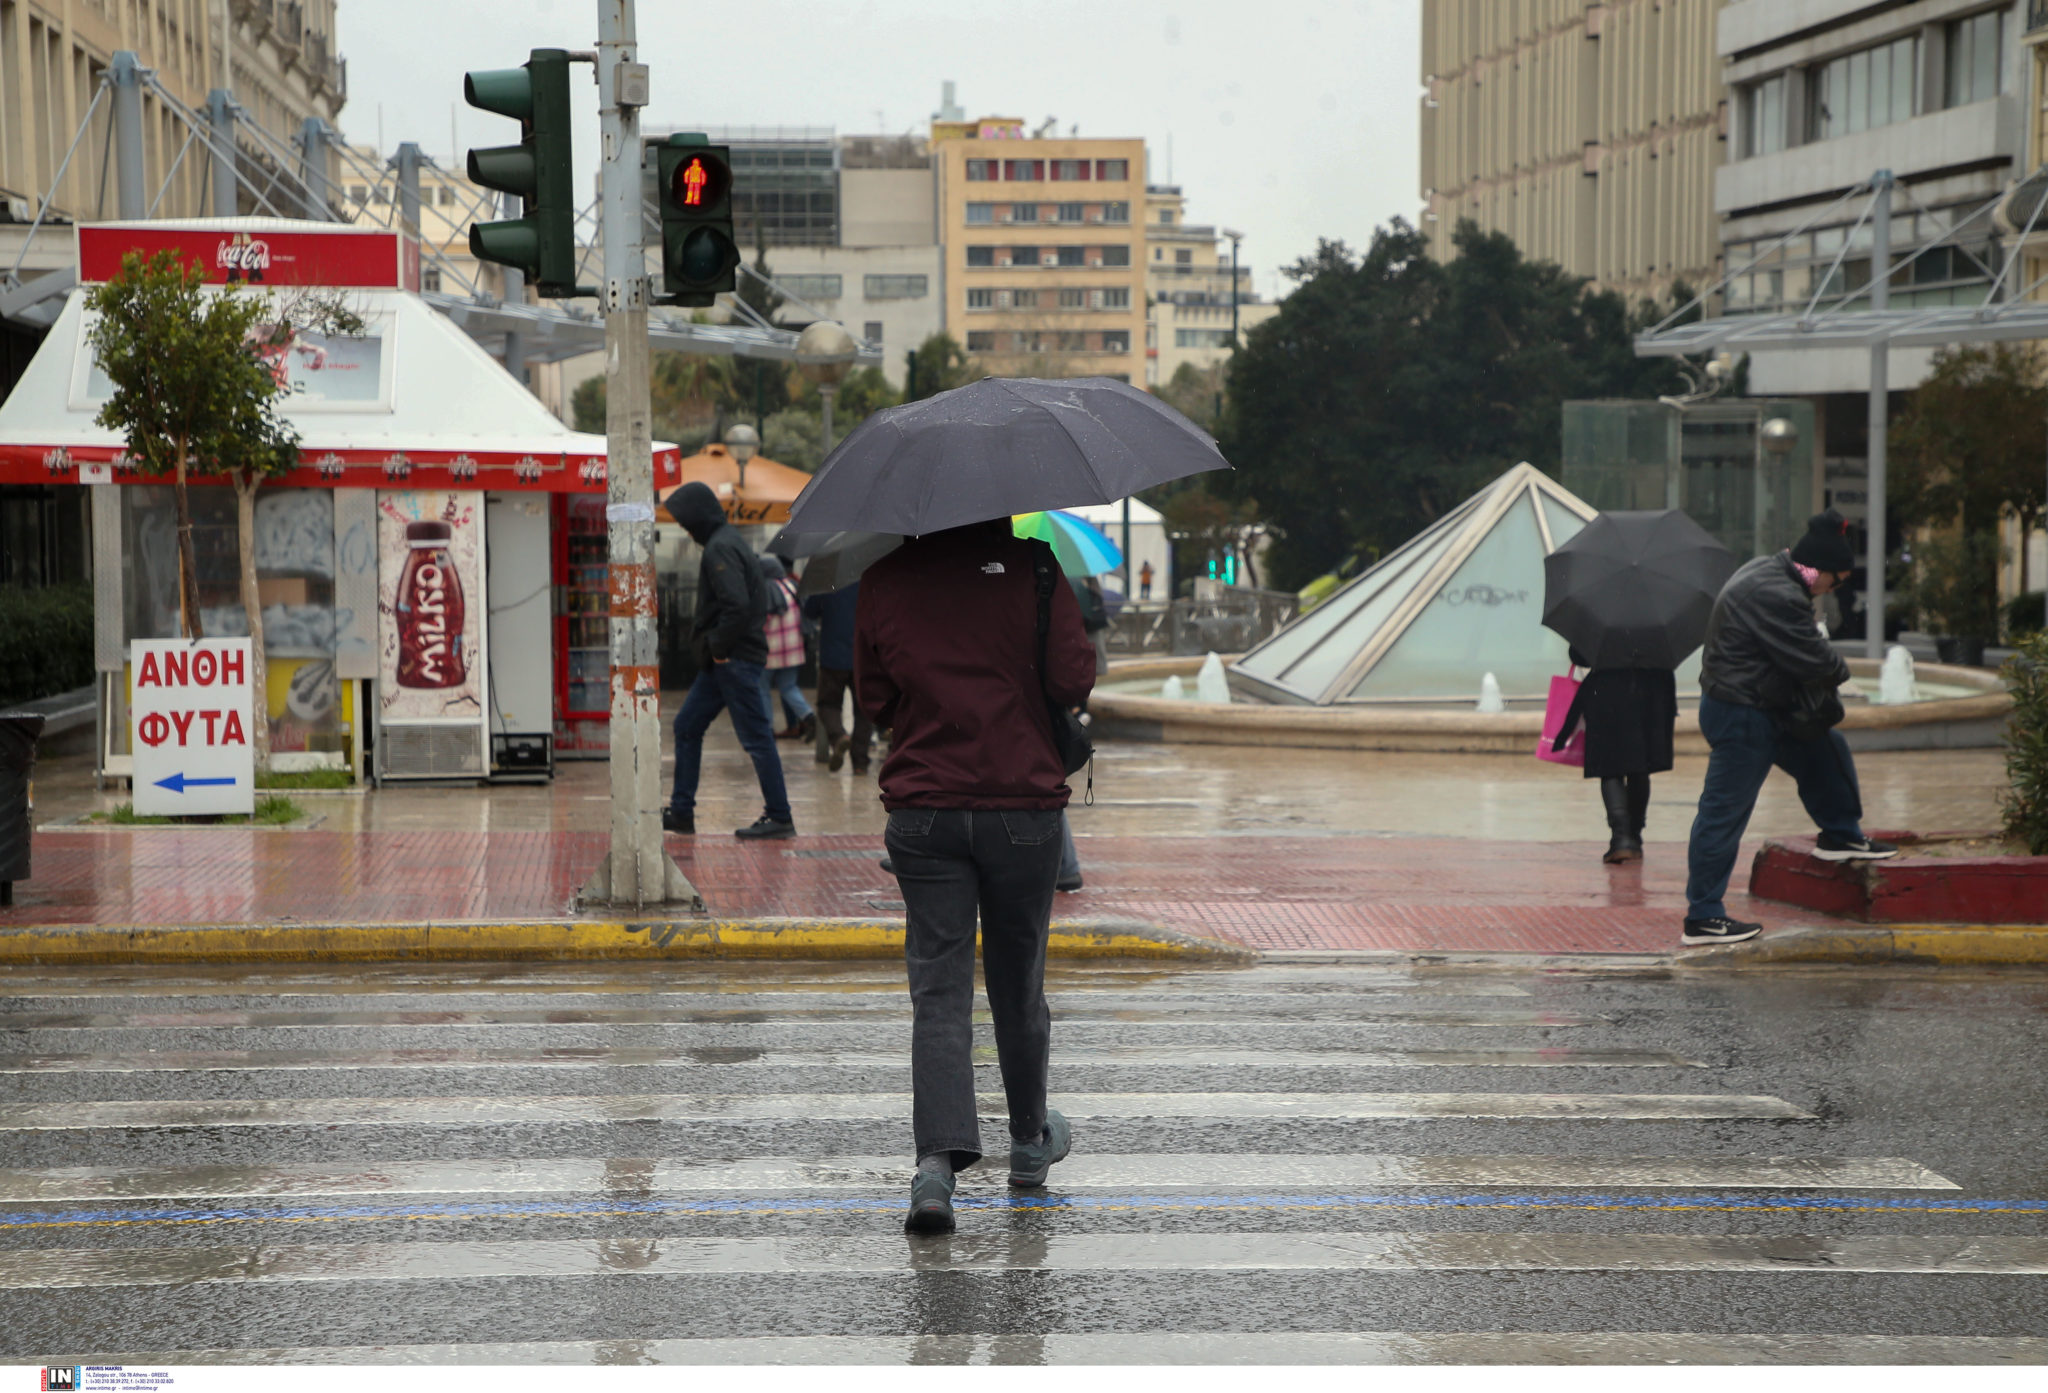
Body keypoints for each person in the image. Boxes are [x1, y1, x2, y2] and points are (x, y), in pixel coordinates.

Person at [856, 518, 1096, 1234]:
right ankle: (1028, 1140)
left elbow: (875, 699)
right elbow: (1072, 677)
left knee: (939, 990)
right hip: (1022, 803)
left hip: (924, 809)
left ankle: (935, 1168)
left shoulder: (885, 577)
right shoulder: (1037, 568)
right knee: (1018, 981)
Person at [1682, 509, 1897, 946]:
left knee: (1824, 749)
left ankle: (1840, 835)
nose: (1833, 591)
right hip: (1742, 714)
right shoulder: (1776, 594)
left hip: (1763, 706)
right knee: (1723, 813)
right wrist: (1838, 665)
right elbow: (1817, 661)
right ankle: (1703, 917)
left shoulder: (1772, 569)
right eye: (1835, 582)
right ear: (1818, 572)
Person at [662, 482, 795, 840]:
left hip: (733, 659)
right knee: (687, 726)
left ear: (698, 517)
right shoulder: (728, 541)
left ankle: (780, 816)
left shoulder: (720, 548)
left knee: (756, 738)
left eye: (687, 522)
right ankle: (681, 812)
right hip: (725, 661)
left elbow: (736, 605)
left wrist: (718, 647)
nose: (686, 531)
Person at [1556, 645, 1676, 864]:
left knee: (1610, 767)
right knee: (1640, 767)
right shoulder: (1654, 616)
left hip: (1606, 690)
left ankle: (1621, 838)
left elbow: (1579, 655)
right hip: (1649, 690)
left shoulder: (1601, 613)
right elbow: (1668, 653)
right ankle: (1635, 836)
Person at [803, 580, 874, 774]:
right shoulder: (870, 579)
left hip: (833, 657)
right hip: (864, 656)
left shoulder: (830, 579)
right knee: (864, 711)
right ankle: (860, 763)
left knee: (828, 705)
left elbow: (809, 611)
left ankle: (839, 737)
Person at [757, 555, 816, 743]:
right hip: (793, 649)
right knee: (788, 686)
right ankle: (808, 716)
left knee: (762, 687)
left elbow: (760, 621)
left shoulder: (765, 590)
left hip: (770, 651)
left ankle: (766, 729)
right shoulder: (792, 586)